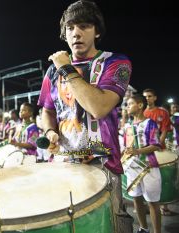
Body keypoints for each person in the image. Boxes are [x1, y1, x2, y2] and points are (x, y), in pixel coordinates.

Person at [37, 0, 132, 231]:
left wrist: (66, 68)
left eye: (84, 26)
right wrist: (50, 131)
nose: (76, 33)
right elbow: (47, 110)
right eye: (70, 28)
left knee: (109, 225)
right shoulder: (52, 71)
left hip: (103, 165)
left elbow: (98, 107)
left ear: (97, 31)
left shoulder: (116, 62)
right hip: (64, 162)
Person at [123, 94, 162, 233]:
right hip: (132, 168)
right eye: (126, 104)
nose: (127, 107)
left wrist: (137, 151)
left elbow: (156, 145)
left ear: (140, 105)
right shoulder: (127, 125)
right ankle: (143, 228)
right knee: (136, 199)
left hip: (148, 167)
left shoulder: (150, 123)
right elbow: (126, 147)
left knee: (152, 202)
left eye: (130, 104)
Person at [142, 88, 172, 216]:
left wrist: (157, 144)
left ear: (154, 98)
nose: (147, 98)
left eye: (149, 96)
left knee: (162, 177)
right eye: (145, 97)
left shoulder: (162, 112)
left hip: (159, 148)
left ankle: (164, 205)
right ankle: (147, 205)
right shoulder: (142, 112)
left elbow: (165, 130)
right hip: (145, 150)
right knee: (146, 177)